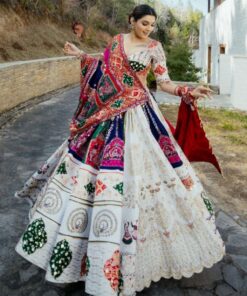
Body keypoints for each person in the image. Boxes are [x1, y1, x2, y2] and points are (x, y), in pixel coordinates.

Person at [15, 4, 225, 296]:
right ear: (132, 20)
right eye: (144, 24)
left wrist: (186, 91)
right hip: (109, 115)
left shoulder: (154, 48)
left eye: (152, 25)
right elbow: (102, 66)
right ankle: (87, 242)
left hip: (141, 114)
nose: (148, 29)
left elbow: (163, 82)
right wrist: (80, 55)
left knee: (153, 173)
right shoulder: (116, 41)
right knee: (94, 176)